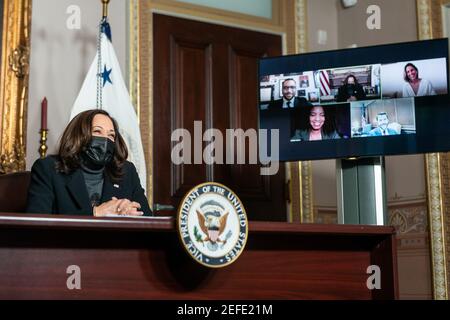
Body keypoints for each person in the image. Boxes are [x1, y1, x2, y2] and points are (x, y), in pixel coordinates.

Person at [26, 109, 152, 217]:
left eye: (111, 135)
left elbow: (147, 218)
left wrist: (128, 211)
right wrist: (96, 212)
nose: (106, 140)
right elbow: (37, 222)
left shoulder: (126, 171)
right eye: (97, 131)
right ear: (79, 136)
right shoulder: (48, 168)